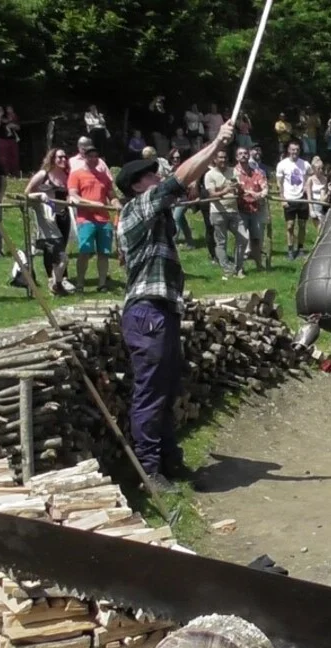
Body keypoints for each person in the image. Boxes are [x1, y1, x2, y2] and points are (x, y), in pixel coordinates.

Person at [114, 119, 235, 492]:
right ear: (138, 185)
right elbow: (179, 180)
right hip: (146, 312)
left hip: (161, 312)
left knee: (166, 390)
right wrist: (216, 144)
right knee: (151, 393)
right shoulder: (138, 207)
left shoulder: (155, 216)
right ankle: (148, 470)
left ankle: (169, 460)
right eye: (152, 176)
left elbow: (183, 186)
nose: (159, 179)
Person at [68, 145, 118, 292]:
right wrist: (92, 203)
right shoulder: (76, 174)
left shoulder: (104, 176)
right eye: (90, 156)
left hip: (104, 220)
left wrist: (117, 204)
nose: (94, 159)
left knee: (104, 253)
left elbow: (112, 196)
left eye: (96, 156)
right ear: (85, 157)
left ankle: (102, 284)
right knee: (85, 251)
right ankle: (80, 283)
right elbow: (73, 196)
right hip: (86, 219)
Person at [24, 148, 74, 295]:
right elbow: (27, 193)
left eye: (65, 157)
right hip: (48, 217)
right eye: (60, 157)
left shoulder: (67, 175)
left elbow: (69, 193)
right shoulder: (43, 174)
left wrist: (70, 198)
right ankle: (53, 280)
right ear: (52, 158)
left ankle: (59, 281)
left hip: (63, 214)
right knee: (52, 249)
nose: (63, 160)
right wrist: (40, 195)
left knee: (61, 248)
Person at [204, 149, 249, 278]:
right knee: (221, 242)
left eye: (225, 157)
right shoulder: (210, 175)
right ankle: (227, 269)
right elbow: (212, 195)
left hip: (233, 211)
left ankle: (238, 268)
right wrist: (226, 190)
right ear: (215, 160)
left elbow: (238, 190)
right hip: (218, 212)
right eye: (220, 158)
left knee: (243, 238)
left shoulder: (233, 171)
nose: (223, 160)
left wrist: (239, 188)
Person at [235, 146, 268, 269]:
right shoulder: (234, 173)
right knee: (241, 239)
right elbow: (235, 189)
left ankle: (259, 264)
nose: (243, 155)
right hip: (240, 211)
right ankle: (239, 267)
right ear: (236, 157)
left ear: (249, 156)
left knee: (256, 239)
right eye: (240, 154)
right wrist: (250, 193)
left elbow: (265, 187)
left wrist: (260, 194)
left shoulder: (256, 173)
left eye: (245, 153)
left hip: (255, 210)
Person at [277, 140, 311, 259]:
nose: (294, 152)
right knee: (290, 225)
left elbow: (311, 176)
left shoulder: (305, 164)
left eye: (297, 150)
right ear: (288, 150)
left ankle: (300, 248)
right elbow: (279, 183)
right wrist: (282, 199)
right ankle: (290, 250)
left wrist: (307, 186)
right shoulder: (282, 164)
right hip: (289, 199)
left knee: (302, 225)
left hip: (302, 199)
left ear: (299, 150)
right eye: (292, 149)